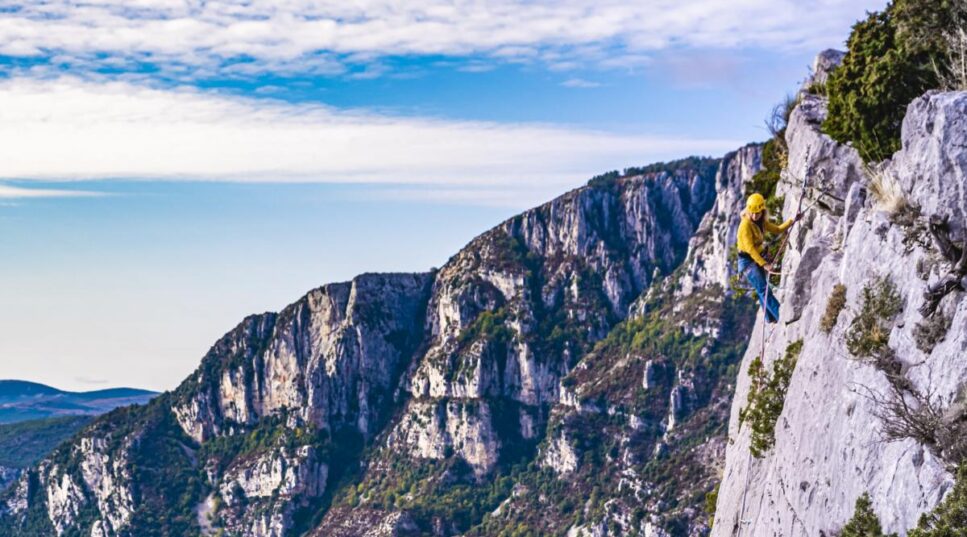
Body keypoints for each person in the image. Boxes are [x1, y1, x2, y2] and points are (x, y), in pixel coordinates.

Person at [736, 193, 798, 323]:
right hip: (747, 261)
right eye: (752, 213)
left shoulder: (761, 222)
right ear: (748, 210)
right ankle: (781, 316)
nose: (754, 216)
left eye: (757, 213)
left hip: (755, 258)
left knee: (761, 289)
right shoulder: (745, 226)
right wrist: (764, 264)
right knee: (764, 290)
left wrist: (793, 220)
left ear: (762, 211)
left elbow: (776, 229)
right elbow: (750, 249)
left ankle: (770, 318)